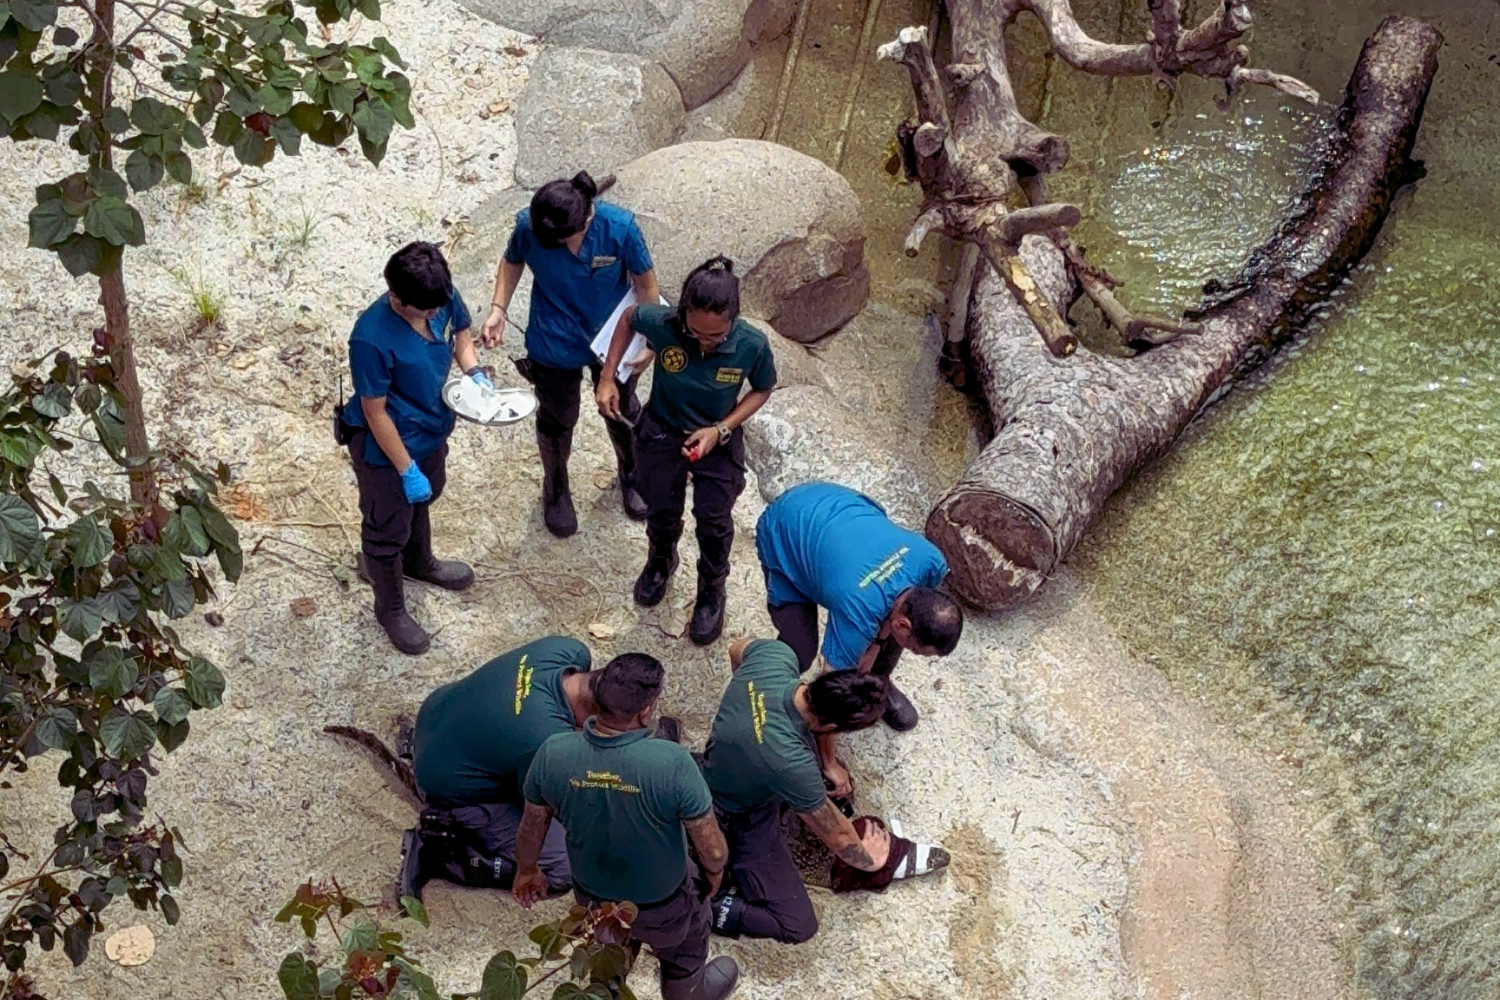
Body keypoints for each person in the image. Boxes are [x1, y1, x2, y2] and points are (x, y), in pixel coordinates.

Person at [514, 653, 740, 1000]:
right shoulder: (673, 763)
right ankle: (688, 992)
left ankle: (608, 988)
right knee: (684, 947)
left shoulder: (553, 753)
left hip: (593, 896)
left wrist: (527, 869)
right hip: (664, 904)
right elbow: (712, 849)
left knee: (607, 947)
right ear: (646, 711)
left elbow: (532, 824)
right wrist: (713, 875)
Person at [597, 257, 776, 646]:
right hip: (662, 432)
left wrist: (721, 429)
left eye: (715, 336)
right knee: (660, 508)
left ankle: (712, 590)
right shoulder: (664, 325)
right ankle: (661, 560)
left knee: (714, 521)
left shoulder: (751, 345)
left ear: (733, 320)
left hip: (718, 439)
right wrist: (608, 376)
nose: (703, 342)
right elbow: (629, 317)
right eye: (695, 332)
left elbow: (762, 389)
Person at [481, 171, 661, 537]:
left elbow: (645, 283)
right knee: (557, 416)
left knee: (621, 407)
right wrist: (499, 308)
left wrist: (653, 340)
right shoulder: (529, 226)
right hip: (554, 333)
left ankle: (631, 472)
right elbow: (512, 260)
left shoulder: (619, 228)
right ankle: (556, 484)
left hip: (614, 331)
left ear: (587, 220)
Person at [754, 482, 964, 776]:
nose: (914, 653)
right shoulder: (860, 611)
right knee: (799, 651)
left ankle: (879, 684)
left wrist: (877, 643)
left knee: (889, 640)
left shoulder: (929, 560)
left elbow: (892, 622)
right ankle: (770, 701)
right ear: (902, 623)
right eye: (917, 649)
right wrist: (830, 764)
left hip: (839, 509)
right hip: (787, 528)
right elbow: (831, 691)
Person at [342, 242, 487, 655]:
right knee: (386, 526)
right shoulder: (370, 338)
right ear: (397, 299)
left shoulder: (437, 293)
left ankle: (420, 561)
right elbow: (375, 412)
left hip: (430, 428)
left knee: (425, 499)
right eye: (423, 312)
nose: (433, 316)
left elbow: (460, 332)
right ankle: (390, 608)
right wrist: (405, 468)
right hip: (386, 446)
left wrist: (473, 370)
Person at [701, 637, 893, 943]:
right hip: (733, 813)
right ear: (832, 725)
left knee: (822, 779)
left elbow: (737, 649)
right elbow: (840, 839)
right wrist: (871, 861)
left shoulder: (777, 655)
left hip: (722, 759)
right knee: (798, 926)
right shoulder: (793, 765)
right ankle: (711, 908)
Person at [397, 636, 601, 903]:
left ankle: (432, 748)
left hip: (437, 716)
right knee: (566, 867)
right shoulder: (544, 745)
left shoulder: (569, 651)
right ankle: (440, 855)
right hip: (447, 786)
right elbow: (546, 808)